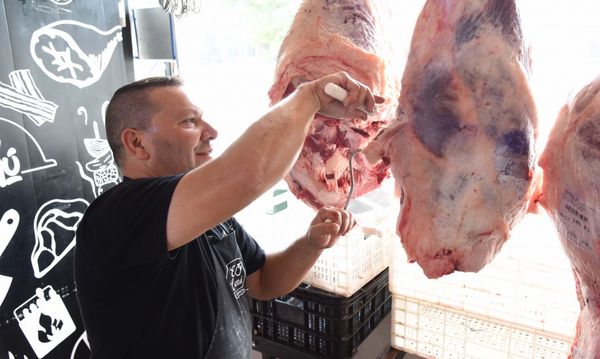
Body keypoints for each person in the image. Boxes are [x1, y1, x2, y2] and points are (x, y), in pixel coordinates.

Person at [73, 71, 383, 358]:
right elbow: (248, 175)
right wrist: (310, 97)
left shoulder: (206, 215)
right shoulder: (118, 214)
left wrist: (310, 245)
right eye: (189, 122)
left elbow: (262, 281)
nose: (212, 132)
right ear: (137, 143)